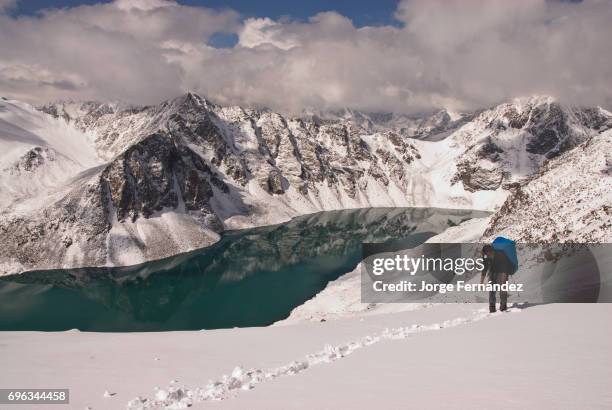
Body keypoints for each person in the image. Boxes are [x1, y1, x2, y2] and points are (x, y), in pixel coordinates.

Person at [481, 244, 513, 313]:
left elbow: (505, 268)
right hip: (493, 273)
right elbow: (484, 269)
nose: (486, 255)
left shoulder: (500, 255)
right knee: (493, 290)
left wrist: (504, 280)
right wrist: (481, 282)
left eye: (486, 253)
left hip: (502, 272)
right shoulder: (487, 257)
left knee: (501, 289)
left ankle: (502, 306)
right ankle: (493, 307)